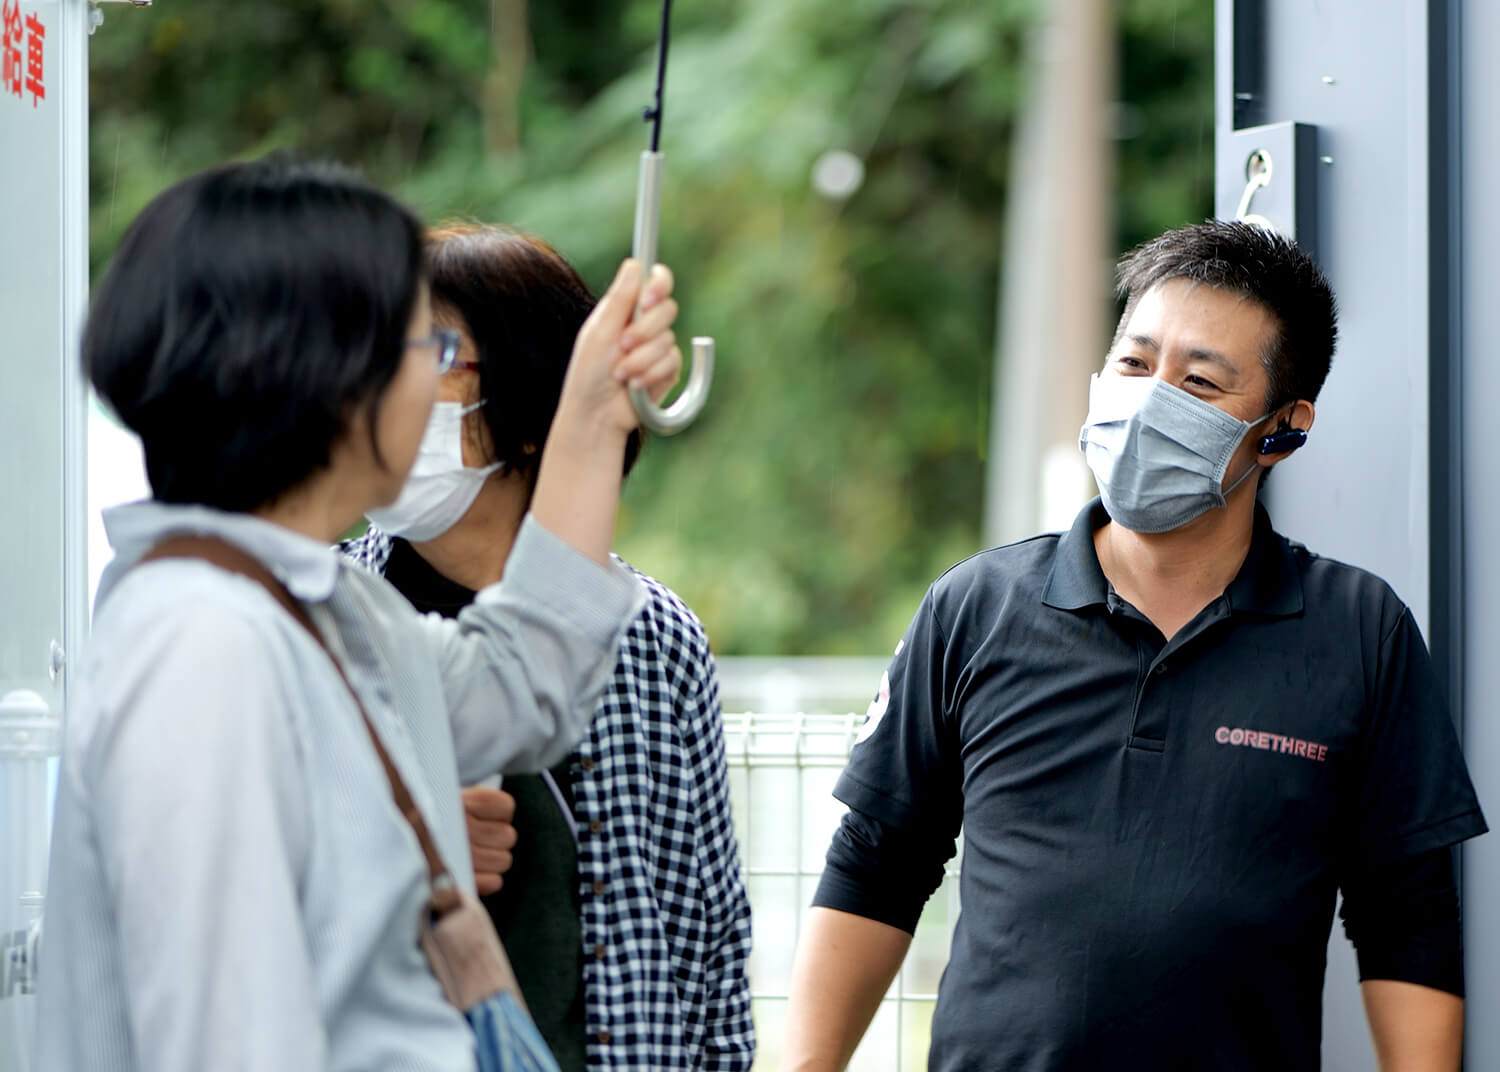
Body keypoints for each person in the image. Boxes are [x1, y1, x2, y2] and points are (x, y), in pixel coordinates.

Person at [781, 220, 1488, 1072]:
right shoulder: (976, 608)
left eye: (1198, 381)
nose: (1151, 399)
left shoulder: (1358, 631)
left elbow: (1404, 911)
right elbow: (877, 864)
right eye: (1133, 363)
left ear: (1285, 429)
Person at [35, 156, 684, 1072]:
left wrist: (584, 414)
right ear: (330, 372)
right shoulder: (201, 647)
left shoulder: (321, 612)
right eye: (429, 349)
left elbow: (523, 679)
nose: (436, 381)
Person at [341, 222, 754, 1071]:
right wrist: (400, 847)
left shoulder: (653, 635)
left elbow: (709, 933)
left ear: (535, 413)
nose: (386, 387)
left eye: (433, 351)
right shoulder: (324, 614)